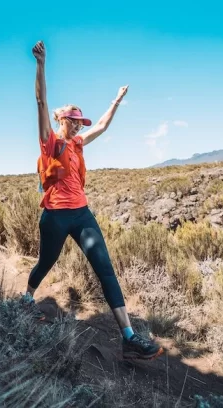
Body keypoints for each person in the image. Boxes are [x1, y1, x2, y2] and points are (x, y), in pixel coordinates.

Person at [23, 40, 164, 360]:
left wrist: (116, 100)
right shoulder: (50, 141)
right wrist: (41, 65)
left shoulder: (78, 144)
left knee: (105, 269)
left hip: (82, 214)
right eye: (75, 121)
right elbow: (41, 101)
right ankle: (27, 298)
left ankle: (128, 337)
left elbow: (101, 125)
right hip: (55, 215)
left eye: (80, 123)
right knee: (46, 262)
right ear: (64, 121)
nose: (79, 126)